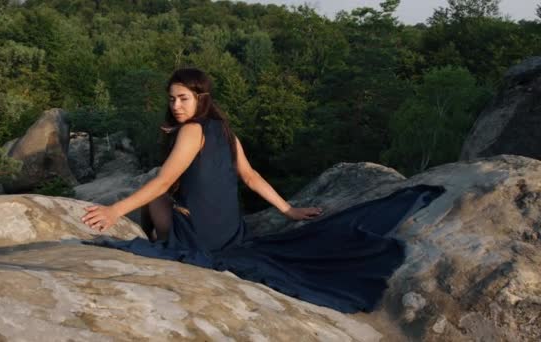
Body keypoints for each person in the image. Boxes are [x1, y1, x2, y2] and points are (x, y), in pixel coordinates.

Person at [81, 68, 444, 313]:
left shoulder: (191, 131)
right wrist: (288, 211)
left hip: (203, 238)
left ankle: (168, 240)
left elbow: (162, 184)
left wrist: (114, 211)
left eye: (183, 99)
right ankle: (173, 231)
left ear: (201, 98)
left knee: (157, 192)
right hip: (231, 232)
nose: (176, 106)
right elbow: (250, 176)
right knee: (168, 192)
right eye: (172, 99)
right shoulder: (224, 130)